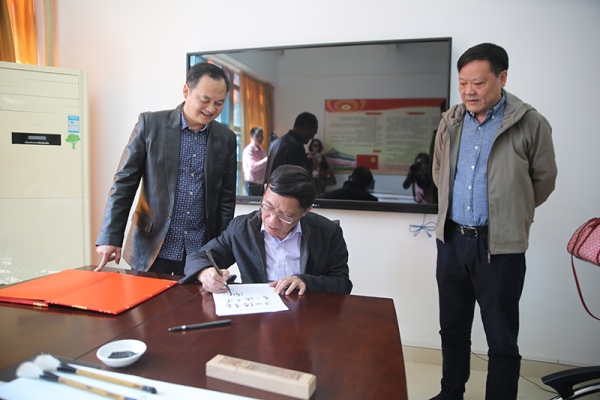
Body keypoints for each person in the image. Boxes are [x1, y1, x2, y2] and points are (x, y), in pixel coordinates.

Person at [430, 43, 557, 400]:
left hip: (499, 246)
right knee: (452, 328)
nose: (469, 91)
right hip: (452, 242)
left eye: (479, 83)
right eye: (463, 83)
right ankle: (451, 392)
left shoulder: (529, 122)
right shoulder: (451, 121)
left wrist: (510, 212)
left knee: (501, 338)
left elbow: (543, 180)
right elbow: (439, 171)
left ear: (502, 78)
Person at [95, 62, 237, 275]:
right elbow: (124, 183)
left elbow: (226, 200)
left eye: (219, 103)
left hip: (198, 252)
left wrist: (222, 251)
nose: (211, 109)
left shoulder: (226, 138)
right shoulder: (150, 125)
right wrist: (110, 237)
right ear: (186, 91)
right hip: (151, 246)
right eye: (205, 100)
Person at [181, 165, 352, 295]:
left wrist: (306, 281)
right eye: (268, 207)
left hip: (306, 315)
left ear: (305, 211)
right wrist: (204, 273)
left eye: (285, 216)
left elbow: (342, 284)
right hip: (258, 314)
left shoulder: (328, 233)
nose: (272, 220)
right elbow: (198, 257)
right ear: (264, 191)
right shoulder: (241, 229)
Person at [263, 112, 318, 183]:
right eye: (313, 133)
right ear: (307, 128)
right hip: (283, 189)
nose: (312, 137)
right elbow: (298, 180)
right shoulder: (296, 147)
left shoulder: (275, 142)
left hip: (270, 188)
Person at [242, 126, 268, 196]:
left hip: (261, 185)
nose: (260, 138)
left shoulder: (262, 151)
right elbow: (253, 167)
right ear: (251, 137)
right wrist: (266, 159)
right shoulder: (248, 150)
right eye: (257, 136)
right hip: (251, 186)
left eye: (261, 136)